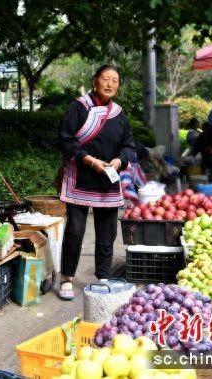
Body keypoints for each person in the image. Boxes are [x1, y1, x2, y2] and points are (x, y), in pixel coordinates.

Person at [58, 64, 135, 300]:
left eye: (115, 80)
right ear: (95, 81)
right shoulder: (78, 107)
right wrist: (89, 161)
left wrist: (119, 161)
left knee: (107, 232)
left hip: (108, 181)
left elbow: (129, 145)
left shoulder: (119, 114)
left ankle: (103, 276)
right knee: (75, 230)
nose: (110, 84)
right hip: (80, 177)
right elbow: (65, 140)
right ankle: (67, 278)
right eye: (105, 79)